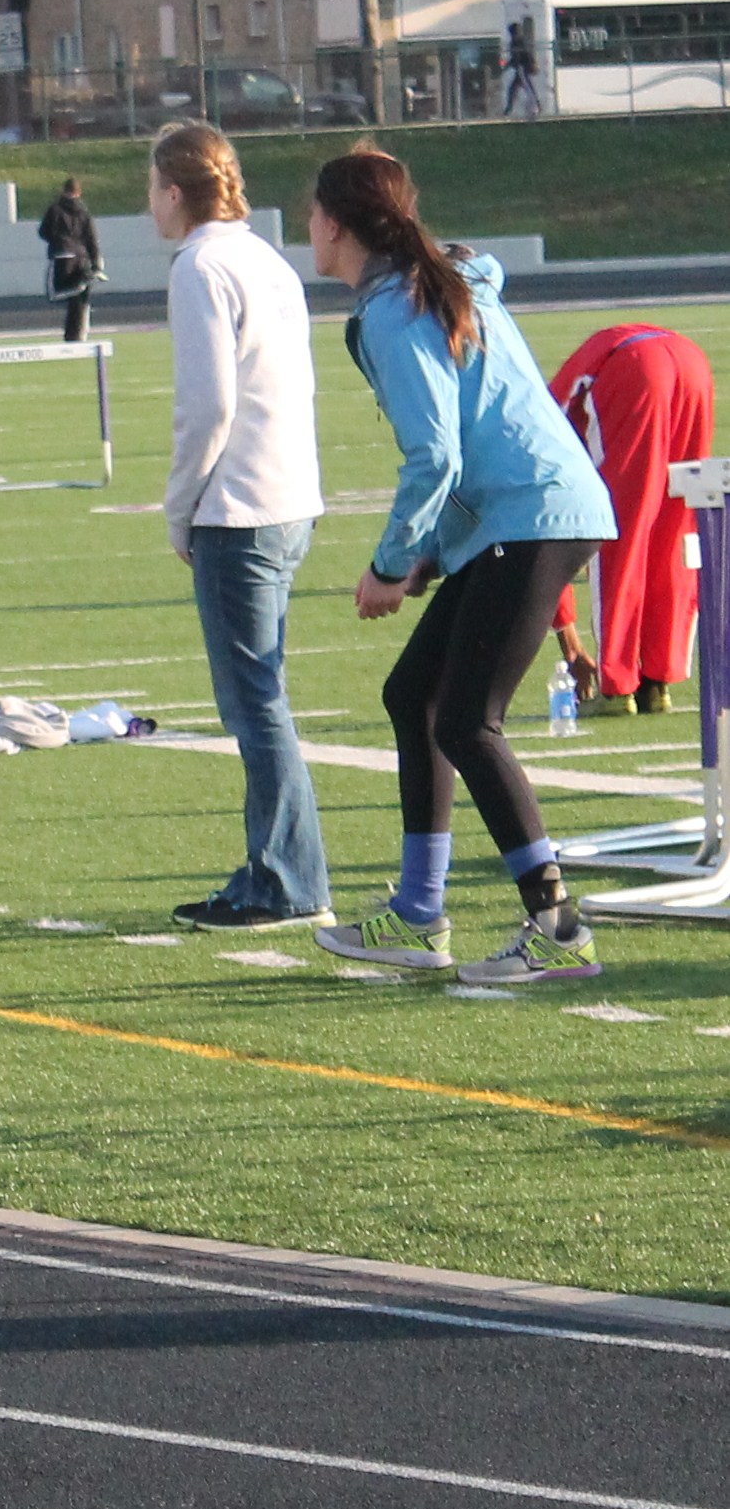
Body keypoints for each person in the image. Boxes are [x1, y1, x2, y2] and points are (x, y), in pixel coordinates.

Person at [307, 147, 615, 986]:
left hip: (533, 514)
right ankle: (417, 915)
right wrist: (430, 555)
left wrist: (391, 562)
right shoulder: (433, 282)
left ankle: (558, 927)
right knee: (414, 695)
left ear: (335, 225)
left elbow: (437, 455)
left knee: (468, 722)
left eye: (313, 213)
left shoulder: (393, 309)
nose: (308, 226)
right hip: (527, 511)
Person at [152, 122, 333, 934]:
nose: (150, 204)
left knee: (255, 704)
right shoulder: (265, 257)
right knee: (264, 697)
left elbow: (208, 405)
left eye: (153, 187)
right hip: (289, 495)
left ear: (175, 190)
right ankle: (275, 869)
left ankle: (287, 879)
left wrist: (179, 505)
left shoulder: (200, 266)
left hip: (240, 505)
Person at [549, 323, 715, 715]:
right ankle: (658, 680)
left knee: (621, 531)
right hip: (692, 362)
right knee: (676, 524)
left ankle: (618, 685)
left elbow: (544, 533)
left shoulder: (527, 442)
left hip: (633, 368)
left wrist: (568, 640)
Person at [38, 175, 104, 344]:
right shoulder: (84, 213)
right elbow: (91, 239)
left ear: (63, 190)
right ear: (79, 192)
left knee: (55, 293)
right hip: (81, 257)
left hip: (62, 256)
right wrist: (96, 263)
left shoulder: (55, 209)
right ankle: (75, 335)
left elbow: (43, 232)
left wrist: (58, 241)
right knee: (78, 297)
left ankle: (73, 333)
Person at [503, 24, 540, 120]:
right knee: (514, 88)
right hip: (520, 68)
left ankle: (536, 107)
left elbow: (526, 54)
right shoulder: (515, 42)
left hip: (523, 67)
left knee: (527, 88)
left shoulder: (520, 42)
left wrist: (532, 63)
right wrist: (507, 66)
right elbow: (515, 57)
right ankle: (509, 108)